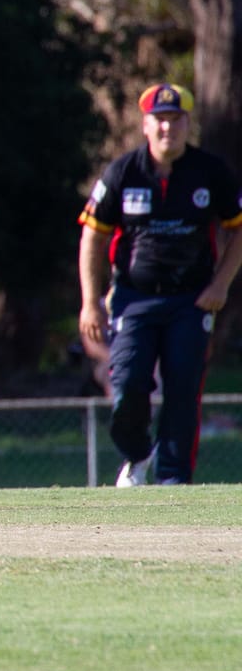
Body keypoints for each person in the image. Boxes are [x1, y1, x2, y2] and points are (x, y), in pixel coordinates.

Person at [78, 82, 242, 486]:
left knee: (183, 389)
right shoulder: (123, 172)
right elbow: (92, 239)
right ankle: (136, 454)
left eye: (176, 120)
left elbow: (238, 231)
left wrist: (221, 284)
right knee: (130, 380)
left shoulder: (211, 172)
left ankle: (174, 481)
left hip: (192, 300)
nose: (168, 128)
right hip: (133, 300)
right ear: (146, 125)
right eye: (160, 120)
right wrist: (90, 302)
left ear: (188, 124)